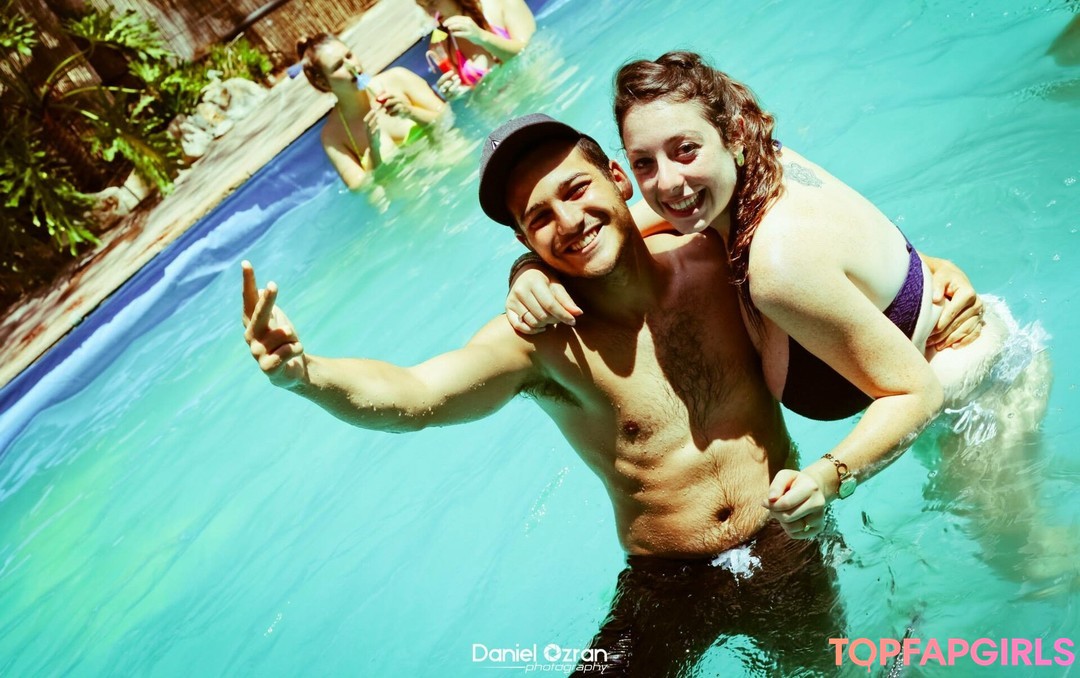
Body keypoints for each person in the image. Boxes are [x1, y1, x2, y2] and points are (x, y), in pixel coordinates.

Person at [243, 114, 843, 675]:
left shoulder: (719, 258)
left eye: (576, 189)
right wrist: (306, 373)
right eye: (540, 218)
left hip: (785, 538)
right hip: (667, 584)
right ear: (525, 241)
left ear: (618, 178)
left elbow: (794, 204)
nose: (570, 221)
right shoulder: (539, 345)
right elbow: (415, 396)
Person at [504, 52, 1055, 568]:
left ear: (732, 135)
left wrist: (827, 477)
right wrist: (531, 266)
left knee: (1033, 565)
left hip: (975, 398)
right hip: (971, 356)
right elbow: (633, 223)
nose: (668, 182)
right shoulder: (758, 169)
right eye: (645, 162)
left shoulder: (775, 268)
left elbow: (919, 394)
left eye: (685, 149)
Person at [297, 34, 448, 189]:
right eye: (338, 66)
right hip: (406, 189)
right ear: (323, 83)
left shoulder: (398, 79)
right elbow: (361, 187)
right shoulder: (333, 135)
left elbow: (448, 116)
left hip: (443, 161)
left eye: (349, 56)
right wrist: (374, 150)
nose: (351, 66)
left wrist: (410, 112)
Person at [418, 0, 536, 96]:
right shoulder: (441, 45)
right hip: (498, 110)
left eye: (433, 2)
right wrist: (456, 93)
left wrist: (481, 37)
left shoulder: (504, 3)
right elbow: (472, 94)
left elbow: (530, 52)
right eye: (423, 6)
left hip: (533, 90)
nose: (430, 12)